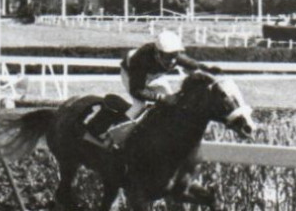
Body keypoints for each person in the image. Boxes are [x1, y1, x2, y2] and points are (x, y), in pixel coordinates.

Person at [82, 29, 219, 147]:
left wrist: (209, 70)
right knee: (139, 106)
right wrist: (162, 97)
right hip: (132, 75)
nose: (172, 62)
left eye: (174, 57)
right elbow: (137, 90)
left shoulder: (173, 54)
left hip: (154, 76)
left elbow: (193, 65)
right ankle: (114, 137)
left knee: (172, 103)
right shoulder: (141, 60)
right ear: (157, 53)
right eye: (167, 57)